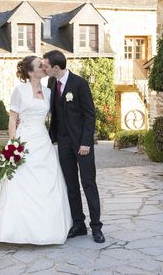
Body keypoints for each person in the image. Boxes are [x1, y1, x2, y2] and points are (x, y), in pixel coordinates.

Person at [0, 55, 72, 247]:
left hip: (42, 141)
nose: (44, 67)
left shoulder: (50, 92)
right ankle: (12, 229)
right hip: (23, 140)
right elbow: (12, 118)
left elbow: (55, 117)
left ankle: (47, 229)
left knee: (47, 180)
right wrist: (13, 143)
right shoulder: (19, 90)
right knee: (17, 182)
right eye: (39, 66)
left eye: (43, 65)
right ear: (31, 72)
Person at [42, 50, 105, 243]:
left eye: (46, 65)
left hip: (81, 143)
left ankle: (96, 227)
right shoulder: (52, 83)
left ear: (56, 67)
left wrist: (86, 142)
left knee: (88, 183)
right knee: (71, 185)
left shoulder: (79, 83)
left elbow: (89, 114)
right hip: (63, 143)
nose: (43, 68)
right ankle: (78, 224)